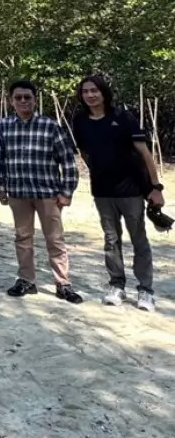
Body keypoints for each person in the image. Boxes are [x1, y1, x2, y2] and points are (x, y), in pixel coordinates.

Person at [72, 75, 164, 311]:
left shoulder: (122, 117)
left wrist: (155, 188)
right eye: (85, 91)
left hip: (131, 190)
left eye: (94, 90)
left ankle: (145, 290)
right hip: (102, 191)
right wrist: (99, 170)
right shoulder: (80, 120)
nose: (90, 95)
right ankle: (117, 285)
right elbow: (84, 152)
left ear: (103, 93)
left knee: (138, 239)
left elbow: (145, 154)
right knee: (111, 240)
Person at [0, 81, 82, 304]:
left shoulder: (50, 125)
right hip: (18, 192)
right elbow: (0, 160)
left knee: (55, 239)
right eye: (18, 97)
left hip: (47, 193)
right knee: (22, 237)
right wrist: (1, 187)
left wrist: (66, 192)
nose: (23, 101)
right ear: (11, 101)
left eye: (27, 97)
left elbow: (68, 162)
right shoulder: (4, 126)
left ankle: (63, 283)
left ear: (35, 99)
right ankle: (26, 280)